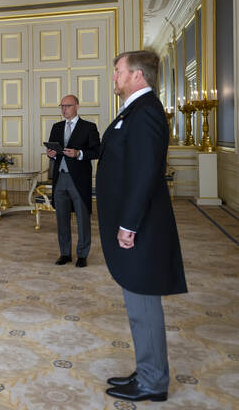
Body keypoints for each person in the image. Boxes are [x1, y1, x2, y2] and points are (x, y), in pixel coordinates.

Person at [97, 50, 187, 403]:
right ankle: (148, 370)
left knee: (143, 306)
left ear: (137, 75)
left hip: (141, 228)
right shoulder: (134, 110)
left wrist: (129, 224)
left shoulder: (145, 111)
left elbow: (146, 173)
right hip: (135, 223)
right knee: (138, 305)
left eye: (118, 70)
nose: (114, 76)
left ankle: (153, 381)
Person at [46, 94, 100, 268]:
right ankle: (65, 253)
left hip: (79, 179)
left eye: (67, 106)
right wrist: (51, 154)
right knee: (61, 218)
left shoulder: (89, 127)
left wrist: (79, 154)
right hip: (60, 178)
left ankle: (82, 254)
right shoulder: (56, 127)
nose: (64, 109)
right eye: (62, 106)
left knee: (82, 218)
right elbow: (54, 151)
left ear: (76, 106)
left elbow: (97, 151)